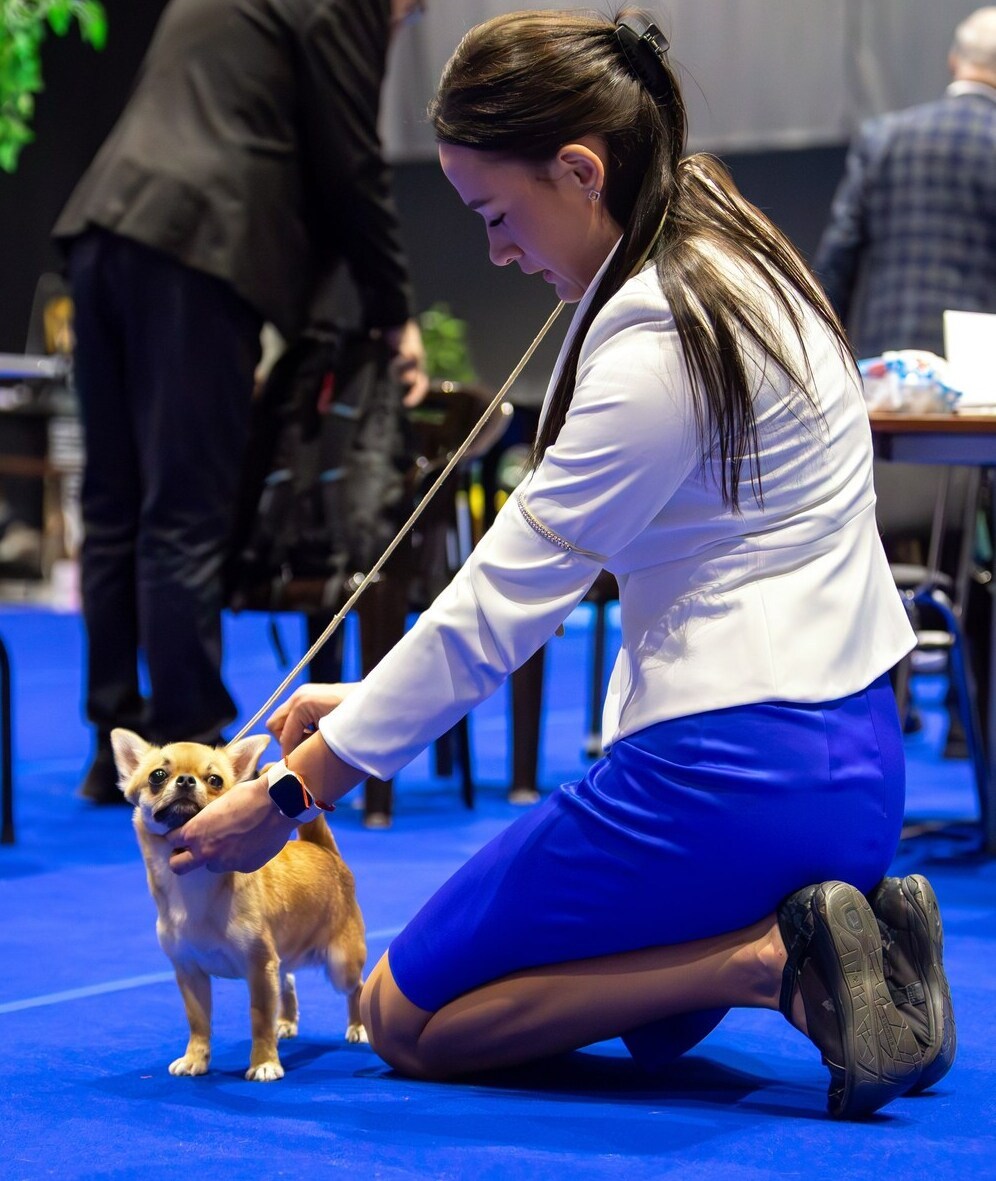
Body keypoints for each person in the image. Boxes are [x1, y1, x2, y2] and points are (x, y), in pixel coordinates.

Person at [165, 8, 956, 1119]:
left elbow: (497, 609)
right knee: (613, 1006)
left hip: (728, 784)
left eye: (496, 214)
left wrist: (292, 792)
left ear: (582, 171)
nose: (495, 250)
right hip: (862, 775)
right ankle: (837, 931)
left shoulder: (654, 338)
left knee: (403, 1018)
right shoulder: (741, 254)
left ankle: (774, 961)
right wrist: (361, 707)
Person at [52, 0, 429, 803]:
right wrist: (393, 311)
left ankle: (113, 749)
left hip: (102, 224)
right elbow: (351, 162)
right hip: (200, 242)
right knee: (184, 510)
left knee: (113, 505)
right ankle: (193, 749)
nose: (406, 20)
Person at [813, 6, 996, 359]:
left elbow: (838, 257)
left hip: (889, 361)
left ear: (954, 61)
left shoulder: (884, 137)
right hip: (981, 369)